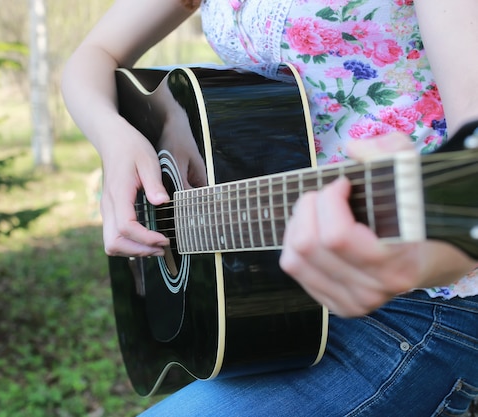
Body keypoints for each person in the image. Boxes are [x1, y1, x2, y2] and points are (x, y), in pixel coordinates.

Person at [61, 0, 478, 415]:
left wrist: (418, 262)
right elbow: (93, 57)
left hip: (425, 306)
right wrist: (114, 139)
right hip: (280, 298)